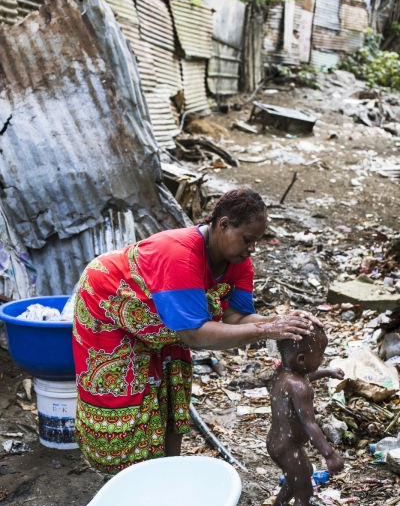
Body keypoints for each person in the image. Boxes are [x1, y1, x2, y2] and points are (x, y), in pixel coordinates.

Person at [73, 188, 322, 474]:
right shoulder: (180, 253)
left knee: (171, 386)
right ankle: (125, 481)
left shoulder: (238, 262)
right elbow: (195, 335)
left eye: (257, 241)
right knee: (123, 397)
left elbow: (236, 317)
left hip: (166, 320)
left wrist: (280, 321)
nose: (253, 248)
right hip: (109, 305)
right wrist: (268, 328)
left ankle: (169, 474)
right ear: (224, 225)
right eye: (248, 239)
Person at [262, 325, 345, 506]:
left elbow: (307, 374)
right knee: (304, 493)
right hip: (288, 446)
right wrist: (329, 454)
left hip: (276, 441)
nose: (322, 359)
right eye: (320, 356)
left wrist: (326, 371)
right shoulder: (298, 387)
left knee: (302, 471)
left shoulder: (284, 373)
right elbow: (310, 424)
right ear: (301, 358)